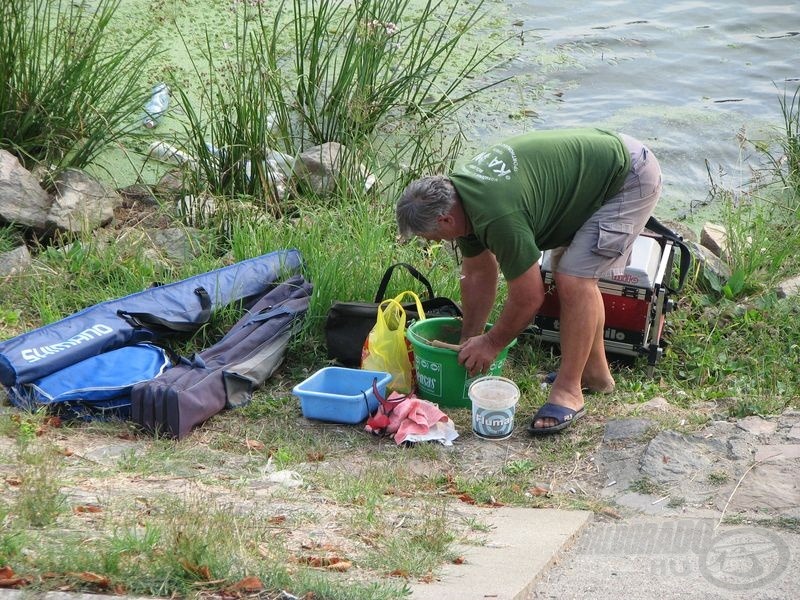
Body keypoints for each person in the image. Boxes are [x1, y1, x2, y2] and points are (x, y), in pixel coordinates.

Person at [396, 128, 662, 434]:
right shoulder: (461, 202)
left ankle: (569, 390)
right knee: (570, 272)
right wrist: (470, 339)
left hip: (627, 177)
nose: (433, 242)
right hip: (593, 172)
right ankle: (596, 375)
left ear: (445, 220)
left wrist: (492, 343)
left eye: (431, 236)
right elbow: (479, 273)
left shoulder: (497, 215)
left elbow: (529, 297)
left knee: (574, 279)